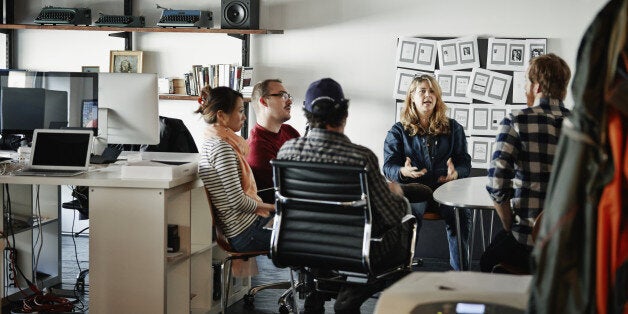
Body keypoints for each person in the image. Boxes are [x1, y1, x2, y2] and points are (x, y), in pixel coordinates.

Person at [277, 78, 410, 314]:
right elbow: (391, 216)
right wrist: (397, 194)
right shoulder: (361, 157)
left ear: (307, 115)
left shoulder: (287, 151)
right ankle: (353, 291)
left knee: (323, 236)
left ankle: (318, 292)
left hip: (304, 245)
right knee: (405, 226)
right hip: (354, 249)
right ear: (344, 115)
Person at [482, 53, 571, 273]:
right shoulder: (584, 126)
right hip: (571, 245)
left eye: (526, 83)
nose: (525, 89)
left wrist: (507, 223)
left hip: (526, 243)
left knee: (486, 261)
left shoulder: (517, 120)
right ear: (564, 90)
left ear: (537, 87)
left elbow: (496, 181)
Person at [383, 74, 472, 271]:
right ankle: (399, 271)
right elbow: (388, 166)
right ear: (411, 98)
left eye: (432, 91)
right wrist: (403, 171)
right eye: (422, 91)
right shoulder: (398, 131)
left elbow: (465, 162)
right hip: (416, 191)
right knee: (409, 214)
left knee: (460, 214)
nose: (428, 95)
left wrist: (456, 173)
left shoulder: (454, 128)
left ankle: (461, 274)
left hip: (446, 191)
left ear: (437, 97)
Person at [196, 86, 275, 252]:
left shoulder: (214, 142)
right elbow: (237, 201)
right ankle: (317, 276)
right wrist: (274, 208)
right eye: (240, 111)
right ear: (221, 115)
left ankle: (312, 275)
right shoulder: (221, 148)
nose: (245, 117)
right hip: (245, 232)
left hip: (249, 223)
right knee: (303, 237)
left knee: (303, 225)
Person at [246, 79, 300, 203]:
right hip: (283, 211)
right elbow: (287, 191)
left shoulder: (289, 131)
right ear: (264, 101)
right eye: (283, 95)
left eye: (289, 96)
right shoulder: (257, 148)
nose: (290, 101)